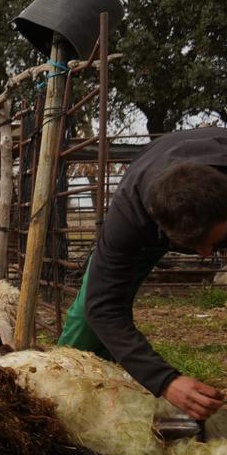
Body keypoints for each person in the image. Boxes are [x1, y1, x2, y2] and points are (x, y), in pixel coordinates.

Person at [57, 127, 227, 421]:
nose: (206, 256)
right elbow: (104, 306)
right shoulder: (130, 215)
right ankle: (61, 382)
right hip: (148, 205)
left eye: (210, 243)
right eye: (194, 246)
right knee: (89, 312)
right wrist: (165, 381)